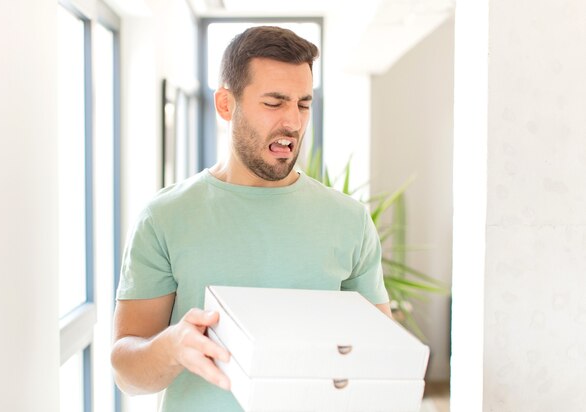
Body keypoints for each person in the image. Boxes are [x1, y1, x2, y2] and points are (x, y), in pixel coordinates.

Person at [111, 25, 392, 411]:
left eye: (304, 104)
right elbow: (126, 371)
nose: (293, 121)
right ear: (227, 104)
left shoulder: (350, 221)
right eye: (274, 103)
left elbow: (381, 359)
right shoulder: (164, 217)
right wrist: (172, 347)